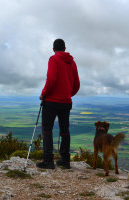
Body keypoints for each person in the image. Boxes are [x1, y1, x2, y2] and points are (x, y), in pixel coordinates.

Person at [37, 39, 80, 169]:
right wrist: (68, 94)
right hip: (66, 102)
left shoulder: (53, 60)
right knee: (65, 130)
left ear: (53, 49)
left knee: (47, 129)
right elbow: (77, 84)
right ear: (65, 48)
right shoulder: (72, 62)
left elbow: (51, 80)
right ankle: (65, 160)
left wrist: (44, 94)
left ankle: (48, 161)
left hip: (51, 101)